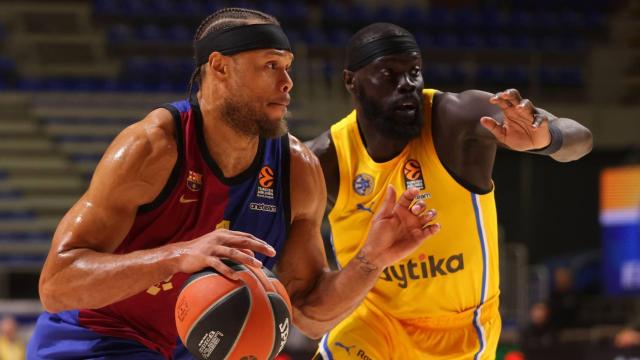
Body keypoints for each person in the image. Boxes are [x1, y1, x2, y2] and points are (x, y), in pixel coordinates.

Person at [26, 10, 439, 359]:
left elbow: (310, 314)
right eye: (271, 66)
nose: (288, 83)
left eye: (288, 68)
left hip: (195, 347)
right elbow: (57, 284)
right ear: (220, 67)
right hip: (93, 342)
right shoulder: (154, 146)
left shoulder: (297, 168)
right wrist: (179, 255)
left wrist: (371, 261)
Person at [306, 22, 593, 359]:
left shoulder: (455, 119)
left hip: (460, 329)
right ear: (351, 81)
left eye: (414, 72)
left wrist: (546, 139)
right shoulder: (325, 158)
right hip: (375, 323)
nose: (407, 85)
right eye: (389, 74)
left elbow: (582, 138)